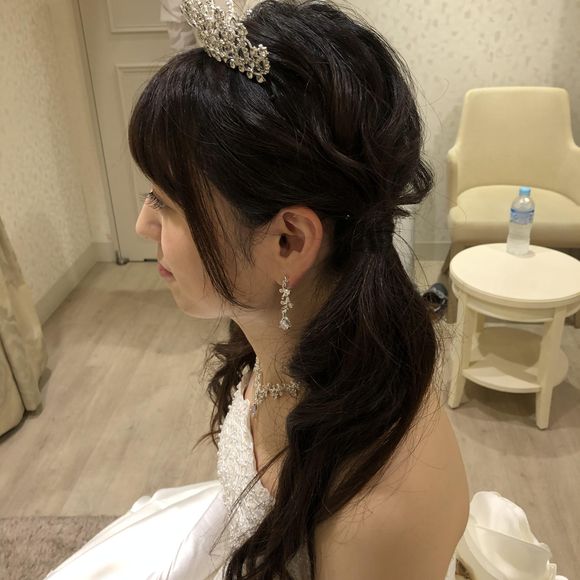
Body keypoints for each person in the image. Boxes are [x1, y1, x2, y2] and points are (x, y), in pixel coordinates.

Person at [44, 1, 566, 578]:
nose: (143, 225)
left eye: (167, 204)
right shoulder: (302, 328)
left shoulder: (373, 517)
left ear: (289, 241)